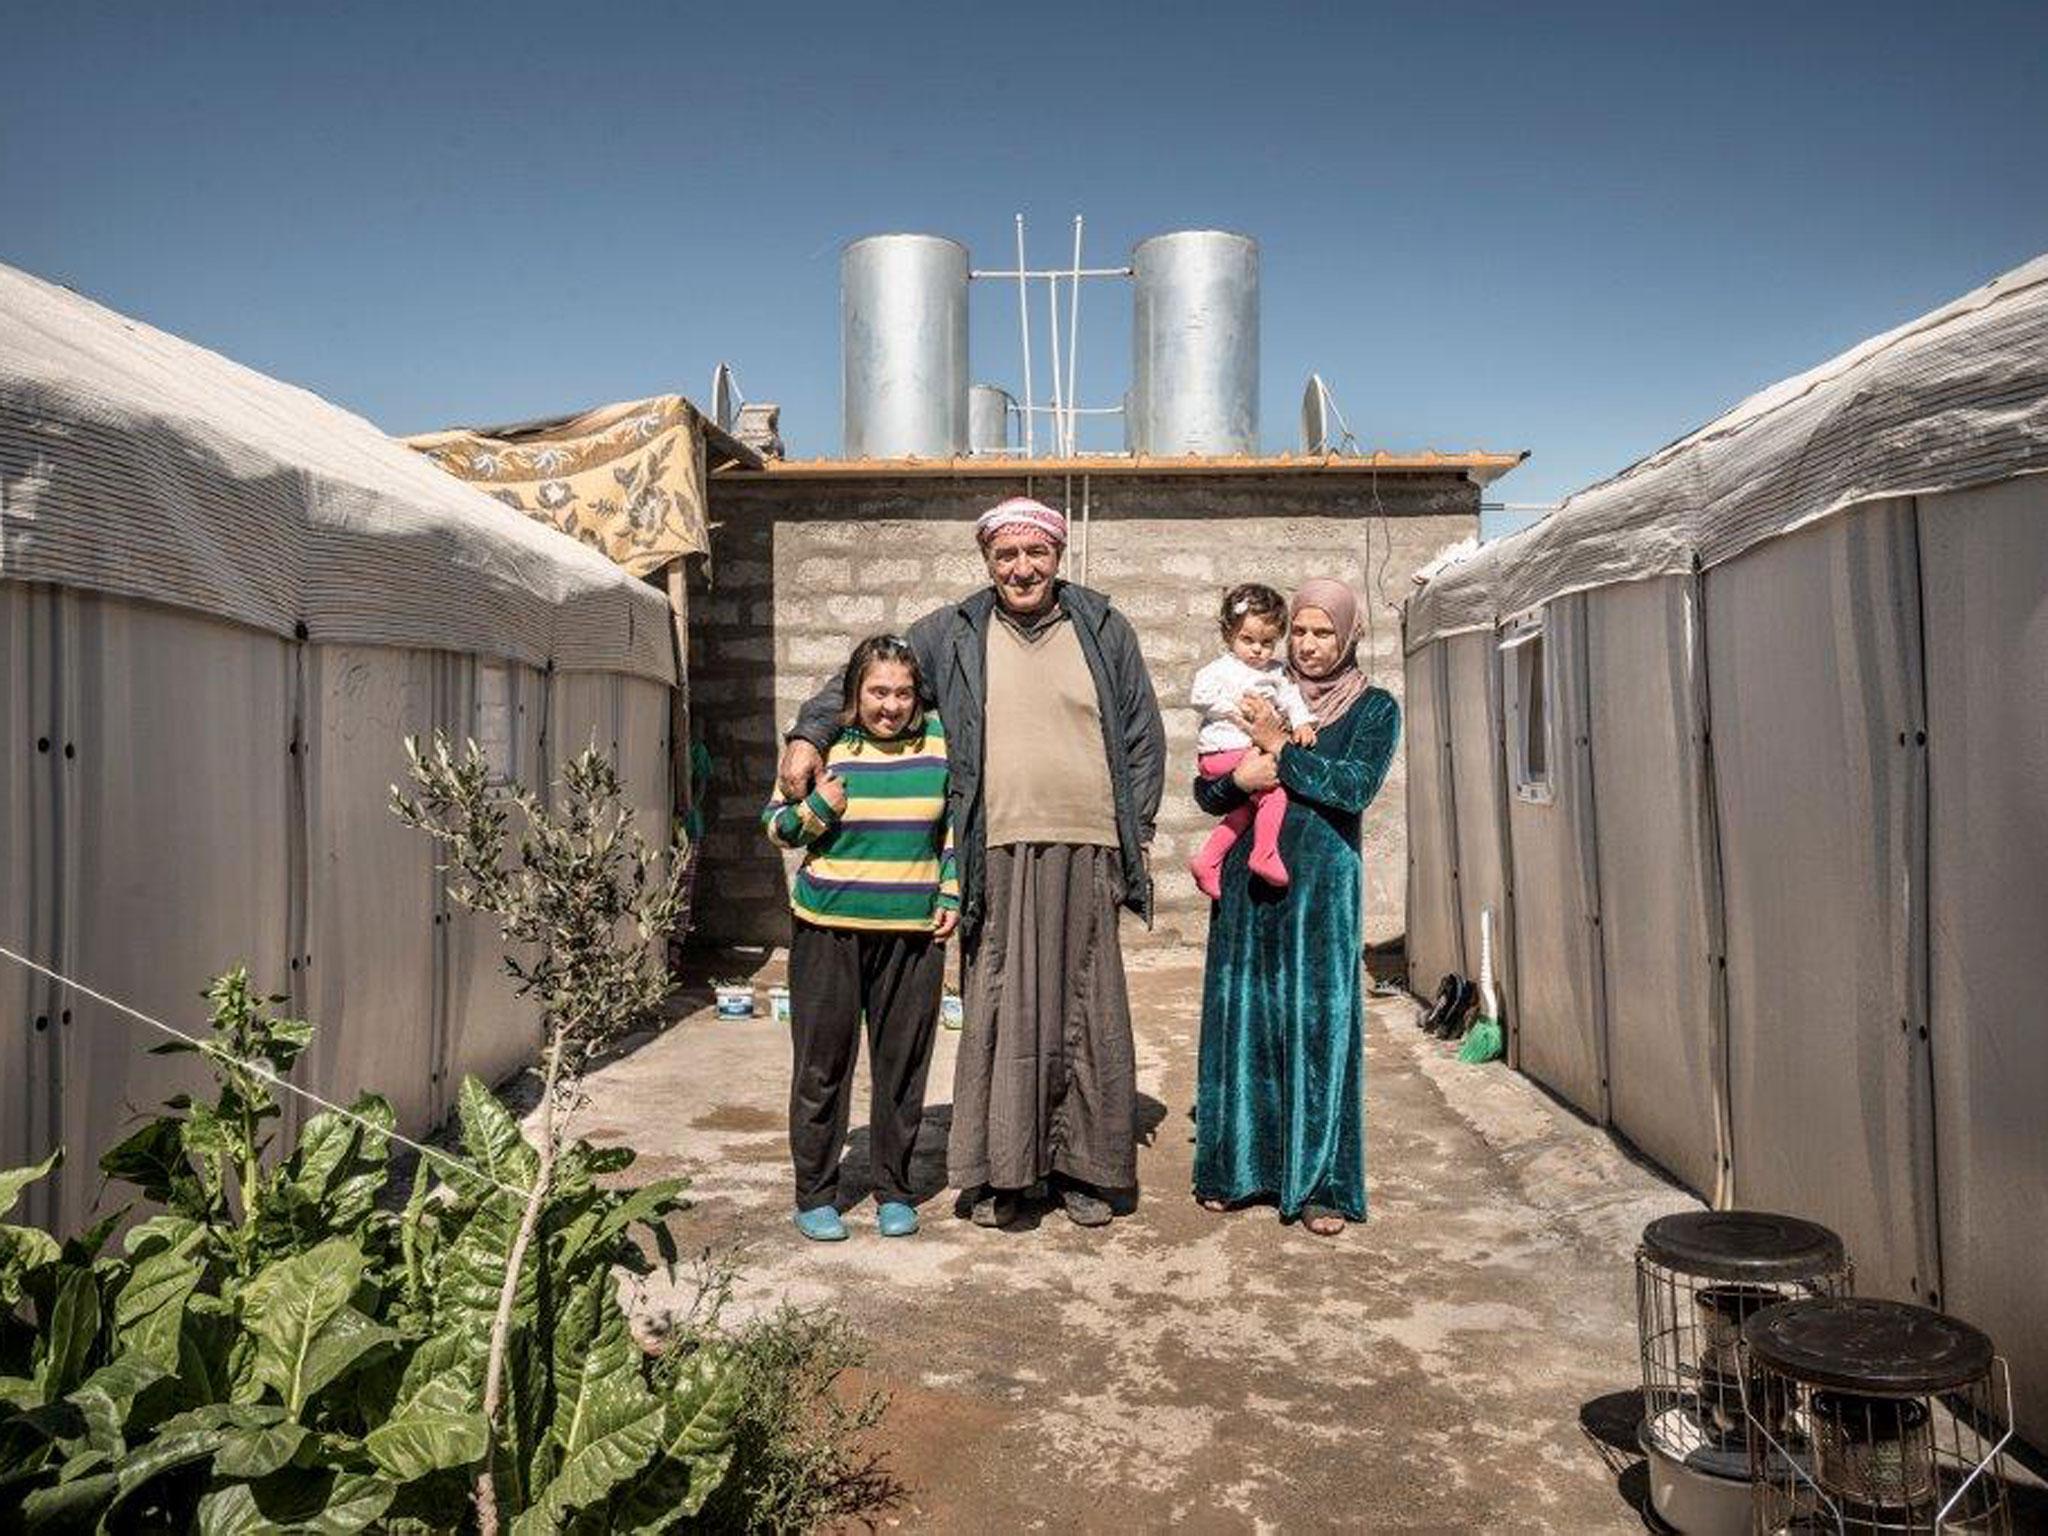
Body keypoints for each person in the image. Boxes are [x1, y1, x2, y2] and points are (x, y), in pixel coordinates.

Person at [777, 496, 1165, 1230]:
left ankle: (1085, 1170)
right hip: (992, 848)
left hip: (1088, 847)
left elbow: (1142, 736)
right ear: (988, 562)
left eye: (1036, 553)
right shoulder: (950, 632)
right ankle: (1002, 1175)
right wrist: (807, 734)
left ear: (1058, 555)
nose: (1022, 568)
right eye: (1006, 556)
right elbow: (858, 677)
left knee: (1087, 1012)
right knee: (1000, 1011)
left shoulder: (1103, 627)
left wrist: (1134, 834)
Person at [1190, 577, 1400, 1237]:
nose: (1308, 646)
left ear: (1349, 636)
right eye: (1300, 632)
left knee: (1317, 1032)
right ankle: (1238, 1169)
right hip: (1248, 887)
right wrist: (1234, 781)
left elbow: (1353, 788)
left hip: (1321, 893)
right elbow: (1208, 790)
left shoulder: (1373, 708)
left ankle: (1320, 1186)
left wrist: (1281, 749)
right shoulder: (1256, 686)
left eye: (1323, 632)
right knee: (1242, 1024)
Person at [763, 635, 958, 1242]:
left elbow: (951, 831)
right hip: (828, 931)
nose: (891, 706)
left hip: (913, 935)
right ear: (854, 693)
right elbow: (776, 826)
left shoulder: (940, 744)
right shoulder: (826, 747)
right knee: (823, 1068)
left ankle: (895, 1190)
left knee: (903, 1068)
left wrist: (950, 893)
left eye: (902, 693)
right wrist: (818, 807)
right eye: (878, 691)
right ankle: (815, 1193)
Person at [1187, 582, 1318, 899]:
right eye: (1248, 640)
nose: (1257, 650)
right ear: (1229, 636)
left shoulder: (1277, 671)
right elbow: (1199, 697)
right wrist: (1236, 711)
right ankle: (1264, 853)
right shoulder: (1220, 669)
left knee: (1246, 809)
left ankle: (1207, 860)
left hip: (1246, 750)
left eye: (1267, 642)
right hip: (1222, 751)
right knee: (1273, 793)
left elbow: (1291, 699)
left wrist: (1301, 722)